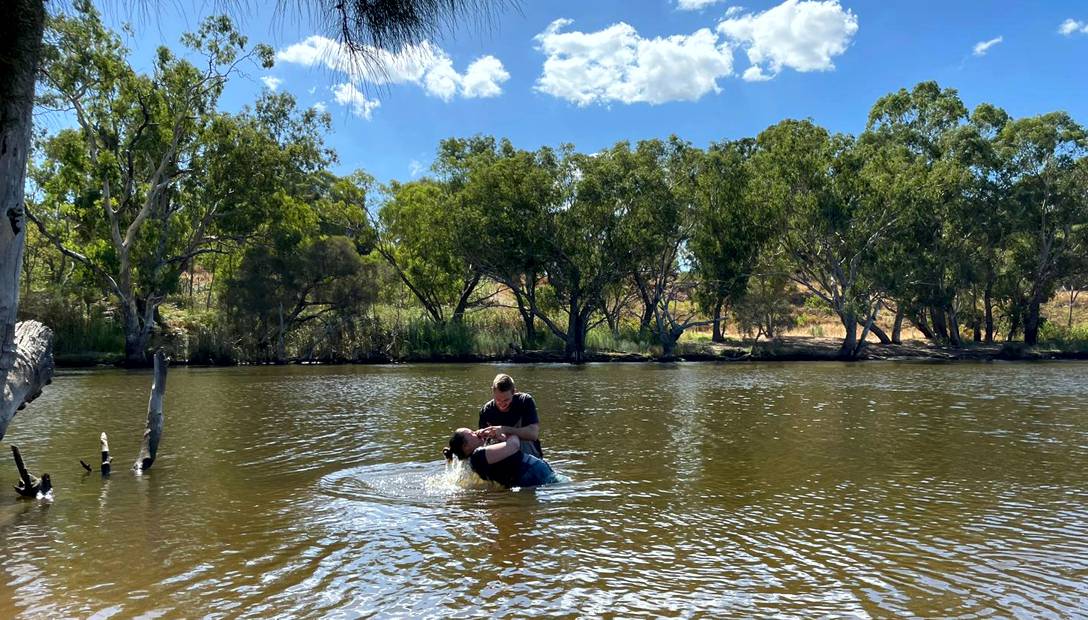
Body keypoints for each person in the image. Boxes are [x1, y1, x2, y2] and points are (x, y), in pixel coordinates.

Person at [443, 427, 558, 488]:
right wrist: (508, 431)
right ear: (465, 446)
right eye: (472, 433)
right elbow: (514, 446)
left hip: (529, 477)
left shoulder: (473, 461)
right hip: (535, 473)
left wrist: (499, 436)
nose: (476, 432)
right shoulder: (479, 455)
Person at [478, 373, 543, 459]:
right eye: (498, 399)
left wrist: (504, 429)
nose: (502, 403)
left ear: (514, 392)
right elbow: (482, 443)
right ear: (493, 392)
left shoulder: (525, 401)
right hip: (503, 458)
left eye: (506, 400)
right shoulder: (486, 411)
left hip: (530, 456)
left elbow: (533, 434)